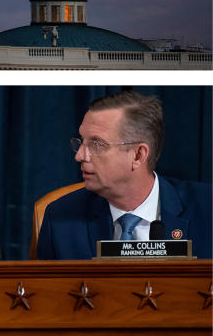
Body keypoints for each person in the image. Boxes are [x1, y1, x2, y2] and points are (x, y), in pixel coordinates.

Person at [36, 91, 212, 259]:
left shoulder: (207, 208)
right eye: (81, 142)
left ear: (138, 155)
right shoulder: (60, 219)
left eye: (97, 144)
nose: (79, 155)